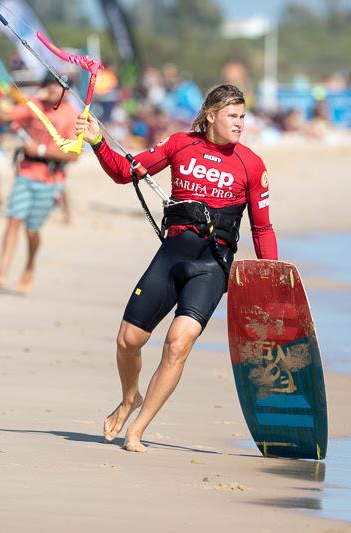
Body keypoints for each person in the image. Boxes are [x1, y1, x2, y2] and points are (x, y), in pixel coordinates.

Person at [75, 84, 278, 452]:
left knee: (177, 344)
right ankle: (128, 398)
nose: (240, 124)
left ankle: (138, 428)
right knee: (128, 341)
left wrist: (274, 277)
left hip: (211, 268)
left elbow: (261, 228)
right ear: (211, 115)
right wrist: (97, 142)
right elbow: (126, 172)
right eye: (233, 116)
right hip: (172, 258)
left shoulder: (251, 164)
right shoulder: (180, 145)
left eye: (243, 117)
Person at [0, 74, 79, 294]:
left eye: (58, 85)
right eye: (49, 84)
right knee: (13, 220)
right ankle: (1, 274)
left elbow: (73, 155)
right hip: (25, 173)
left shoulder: (72, 116)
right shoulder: (34, 105)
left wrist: (40, 150)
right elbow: (4, 116)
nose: (53, 89)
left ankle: (29, 265)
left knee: (32, 231)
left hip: (50, 179)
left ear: (66, 90)